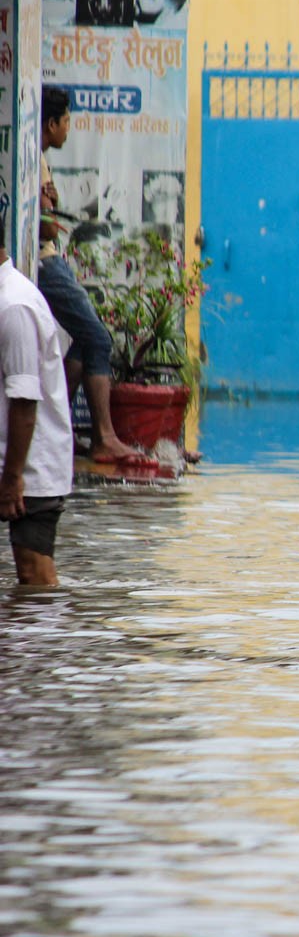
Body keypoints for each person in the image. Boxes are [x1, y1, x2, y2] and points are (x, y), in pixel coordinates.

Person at [39, 86, 141, 465]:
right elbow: (47, 229)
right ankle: (104, 437)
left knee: (86, 339)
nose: (68, 129)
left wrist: (52, 204)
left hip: (49, 259)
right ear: (52, 123)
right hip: (44, 262)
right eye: (66, 122)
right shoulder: (35, 159)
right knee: (98, 339)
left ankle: (55, 434)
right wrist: (49, 211)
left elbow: (48, 216)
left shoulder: (40, 161)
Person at [0, 226, 75, 586]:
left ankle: (48, 640)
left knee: (34, 571)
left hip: (30, 468)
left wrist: (13, 477)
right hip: (14, 461)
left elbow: (24, 399)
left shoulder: (13, 304)